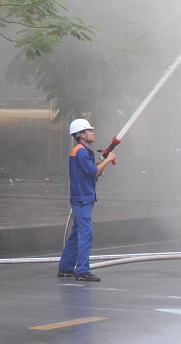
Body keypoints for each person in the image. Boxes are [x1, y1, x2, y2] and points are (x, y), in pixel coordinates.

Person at [57, 118, 116, 282]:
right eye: (89, 131)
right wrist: (108, 160)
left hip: (84, 197)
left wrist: (98, 164)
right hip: (82, 198)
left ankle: (66, 268)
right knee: (85, 234)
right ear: (81, 135)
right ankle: (82, 271)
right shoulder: (81, 151)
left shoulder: (83, 151)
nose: (92, 133)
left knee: (76, 234)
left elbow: (90, 172)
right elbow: (93, 173)